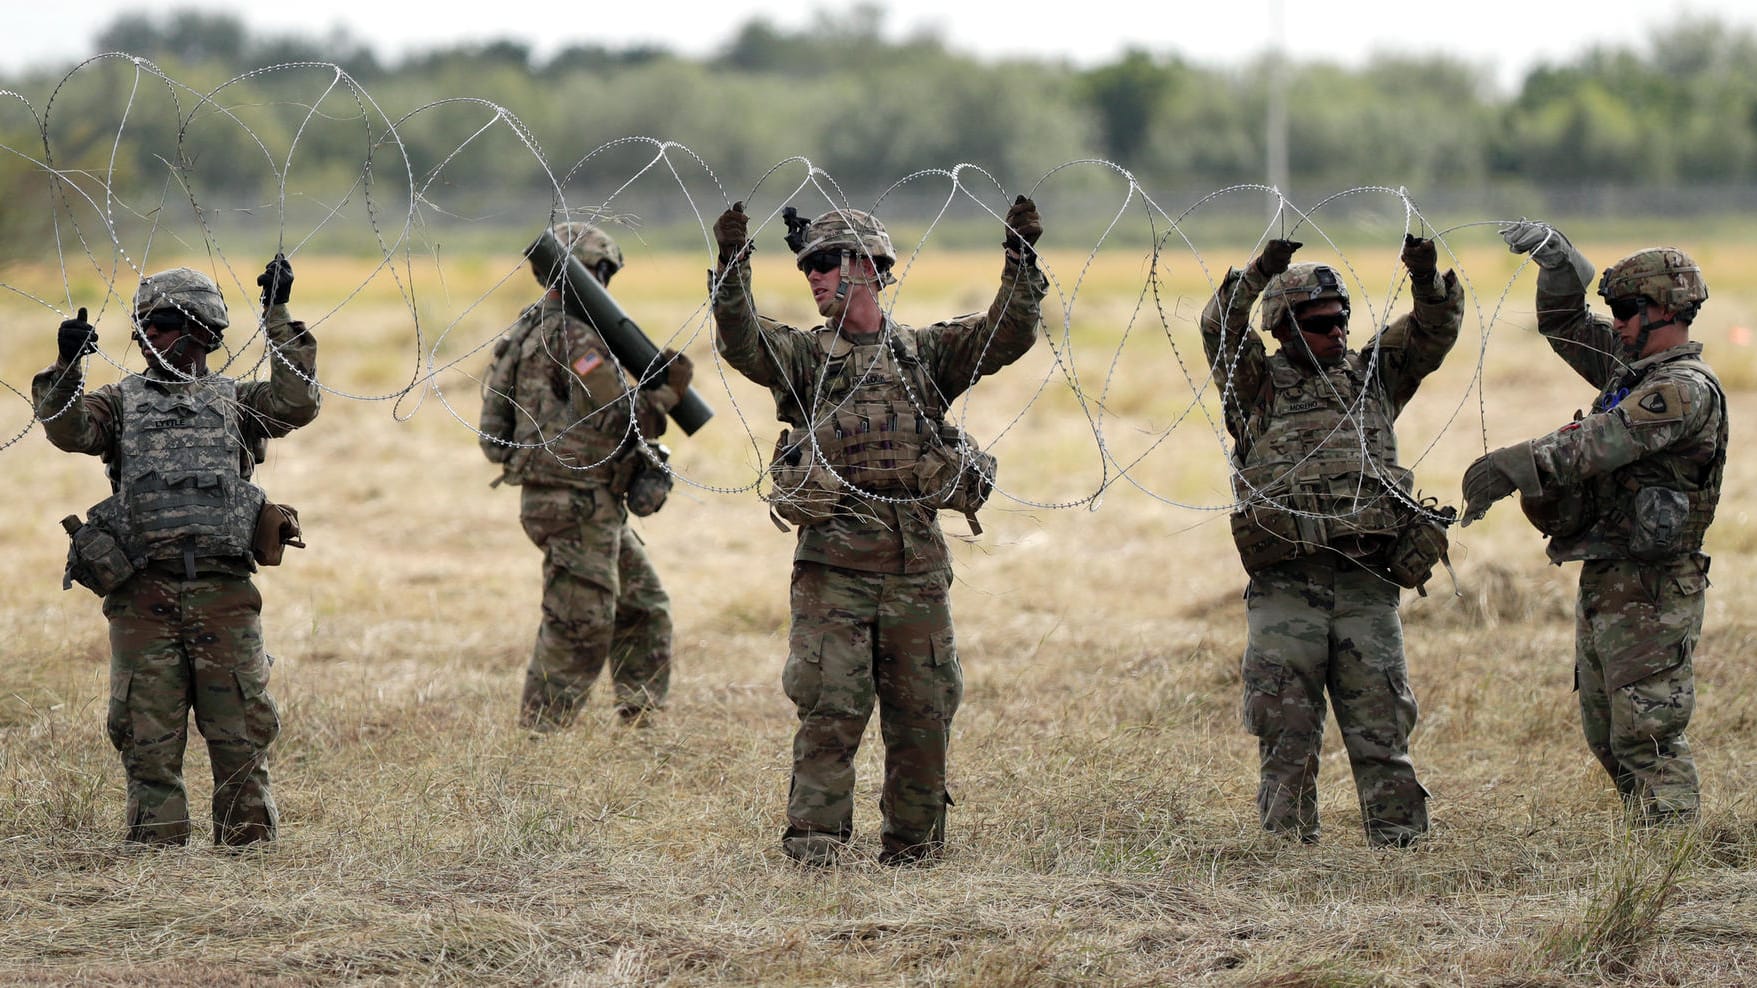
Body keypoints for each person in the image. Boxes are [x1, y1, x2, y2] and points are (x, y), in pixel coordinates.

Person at [710, 197, 1046, 866]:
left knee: (923, 713)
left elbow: (1003, 336)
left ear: (869, 266)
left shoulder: (924, 354)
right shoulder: (804, 361)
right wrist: (731, 267)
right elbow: (740, 340)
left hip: (915, 569)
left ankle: (916, 849)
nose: (814, 277)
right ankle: (815, 850)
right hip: (833, 571)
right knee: (831, 709)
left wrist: (1019, 262)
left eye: (827, 262)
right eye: (808, 267)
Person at [33, 256, 317, 846]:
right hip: (143, 595)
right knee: (146, 734)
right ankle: (157, 855)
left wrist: (278, 314)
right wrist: (67, 366)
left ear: (200, 329)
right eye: (143, 324)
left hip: (224, 593)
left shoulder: (236, 401)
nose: (148, 335)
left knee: (239, 729)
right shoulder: (119, 404)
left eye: (161, 323)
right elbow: (67, 431)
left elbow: (297, 403)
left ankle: (249, 854)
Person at [1200, 234, 1463, 847]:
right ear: (1285, 329)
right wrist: (1263, 267)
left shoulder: (1374, 379)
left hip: (1366, 584)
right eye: (1319, 324)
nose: (1336, 333)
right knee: (1286, 728)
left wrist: (1425, 277)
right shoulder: (1256, 386)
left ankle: (1401, 845)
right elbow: (1219, 325)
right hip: (1288, 587)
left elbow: (1432, 333)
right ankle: (1289, 851)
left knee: (1382, 725)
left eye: (1341, 320)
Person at [1463, 224, 1723, 824]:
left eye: (1628, 311)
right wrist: (1559, 262)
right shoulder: (1632, 367)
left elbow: (1604, 439)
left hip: (1655, 586)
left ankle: (1668, 870)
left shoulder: (1682, 390)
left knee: (1648, 738)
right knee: (1607, 734)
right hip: (1610, 576)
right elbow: (1565, 325)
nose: (1620, 324)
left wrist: (1515, 465)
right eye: (1616, 311)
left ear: (1666, 310)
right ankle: (1647, 849)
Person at [479, 221, 693, 731]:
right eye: (601, 274)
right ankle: (540, 738)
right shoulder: (575, 338)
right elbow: (622, 416)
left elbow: (493, 436)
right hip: (575, 503)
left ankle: (641, 720)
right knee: (580, 624)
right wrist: (668, 392)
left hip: (578, 499)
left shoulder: (526, 331)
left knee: (642, 605)